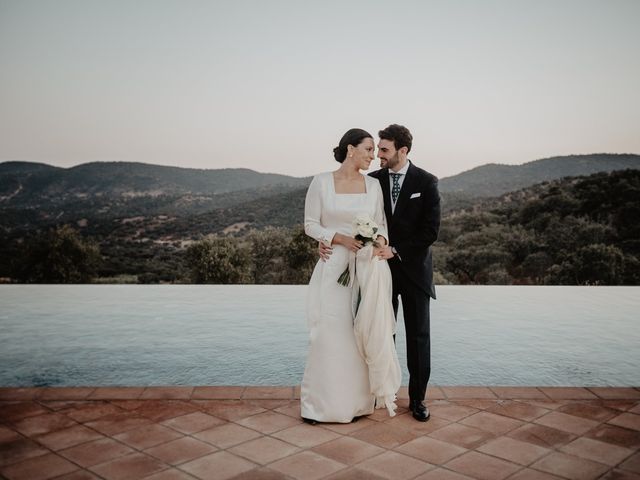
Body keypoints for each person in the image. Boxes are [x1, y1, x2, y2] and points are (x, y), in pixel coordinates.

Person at [320, 124, 441, 422]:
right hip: (376, 272)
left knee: (418, 338)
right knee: (378, 333)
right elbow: (353, 220)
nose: (379, 156)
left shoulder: (427, 182)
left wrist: (395, 249)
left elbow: (430, 232)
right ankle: (379, 392)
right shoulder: (372, 182)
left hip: (413, 272)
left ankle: (417, 401)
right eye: (377, 149)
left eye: (385, 150)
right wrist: (327, 243)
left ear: (403, 150)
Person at [301, 128, 400, 423]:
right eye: (369, 149)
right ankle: (319, 406)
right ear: (350, 149)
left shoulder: (373, 186)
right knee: (329, 333)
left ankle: (357, 404)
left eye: (374, 150)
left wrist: (379, 241)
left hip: (366, 268)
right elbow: (310, 224)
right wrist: (337, 239)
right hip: (334, 267)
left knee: (359, 333)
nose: (373, 155)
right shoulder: (321, 182)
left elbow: (381, 224)